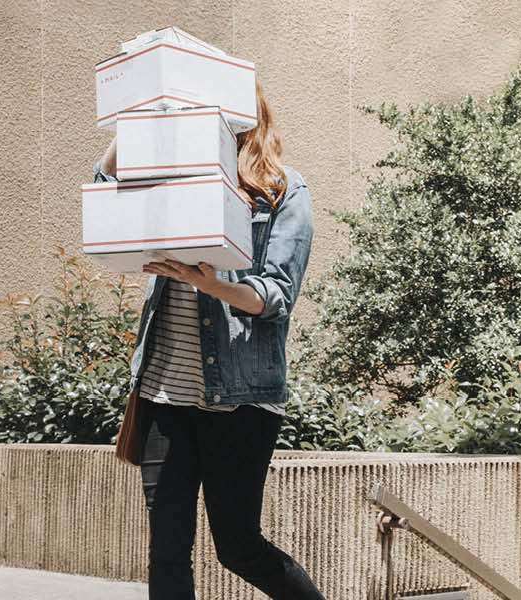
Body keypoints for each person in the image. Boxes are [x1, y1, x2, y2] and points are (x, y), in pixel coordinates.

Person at [94, 75, 325, 600]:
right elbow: (106, 192)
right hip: (164, 395)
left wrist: (213, 285)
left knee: (238, 545)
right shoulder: (168, 181)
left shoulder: (283, 190)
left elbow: (276, 296)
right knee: (167, 546)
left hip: (239, 403)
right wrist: (134, 117)